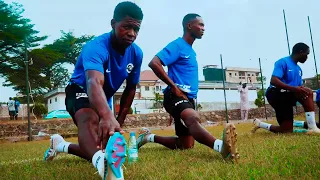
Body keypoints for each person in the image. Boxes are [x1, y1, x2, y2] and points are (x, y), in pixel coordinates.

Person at [43, 2, 144, 179]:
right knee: (88, 119)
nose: (131, 34)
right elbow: (93, 82)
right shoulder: (96, 47)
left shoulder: (136, 53)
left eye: (136, 29)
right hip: (80, 89)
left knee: (99, 147)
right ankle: (105, 167)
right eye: (126, 27)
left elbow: (131, 88)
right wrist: (107, 116)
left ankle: (60, 145)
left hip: (102, 98)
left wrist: (118, 120)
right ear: (113, 23)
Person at [138, 13, 239, 161]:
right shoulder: (177, 45)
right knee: (192, 117)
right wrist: (173, 87)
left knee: (186, 145)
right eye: (201, 25)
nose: (203, 28)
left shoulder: (190, 51)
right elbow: (154, 63)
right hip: (175, 96)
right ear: (189, 26)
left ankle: (148, 137)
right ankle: (221, 147)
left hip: (188, 99)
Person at [252, 42, 320, 133]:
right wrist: (294, 89)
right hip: (276, 94)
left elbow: (299, 87)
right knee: (286, 131)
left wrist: (300, 89)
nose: (307, 57)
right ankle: (260, 124)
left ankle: (312, 127)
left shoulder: (299, 69)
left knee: (307, 92)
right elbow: (274, 80)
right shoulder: (282, 62)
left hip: (289, 94)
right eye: (306, 54)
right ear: (300, 52)